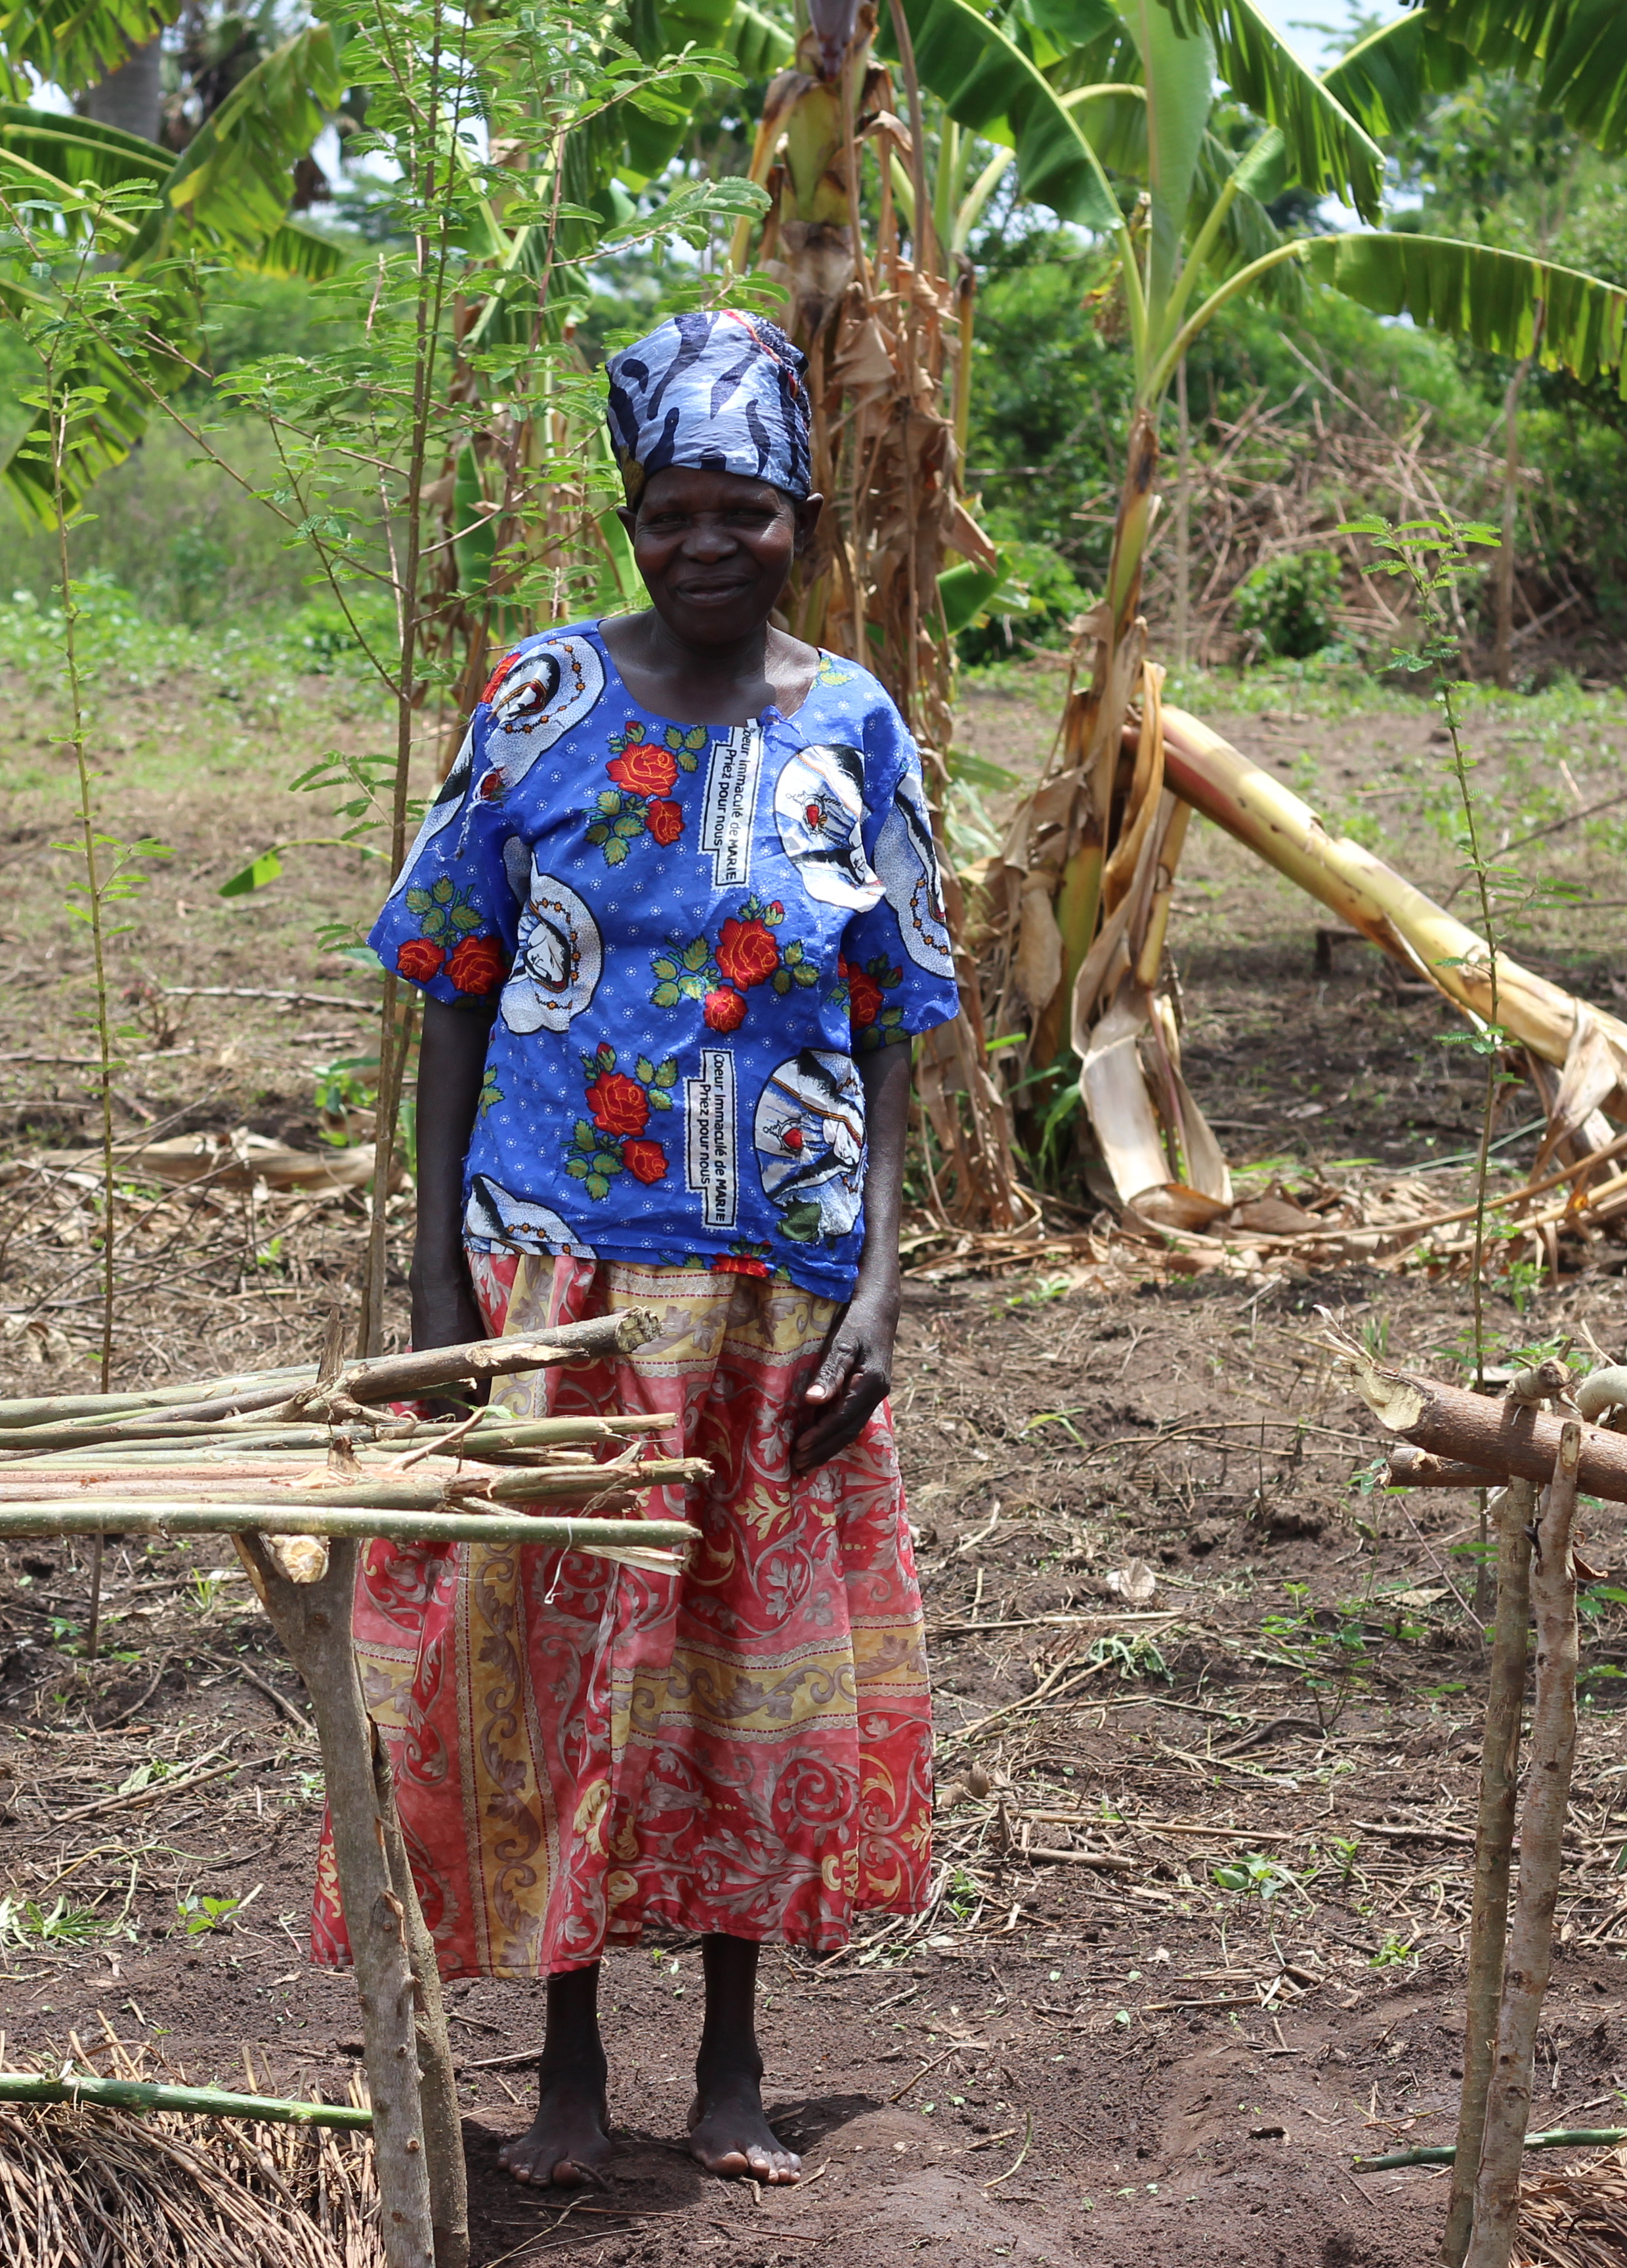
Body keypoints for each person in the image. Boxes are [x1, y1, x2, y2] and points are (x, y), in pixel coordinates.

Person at [316, 308, 958, 2188]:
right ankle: (571, 2064)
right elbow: (450, 981)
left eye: (742, 510)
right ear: (630, 518)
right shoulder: (544, 697)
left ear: (800, 518)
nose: (706, 544)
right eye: (672, 511)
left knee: (740, 1662)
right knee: (552, 1657)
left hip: (774, 1286)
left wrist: (881, 1283)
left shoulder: (854, 724)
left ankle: (735, 2062)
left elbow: (894, 1017)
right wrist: (437, 1277)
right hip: (560, 1275)